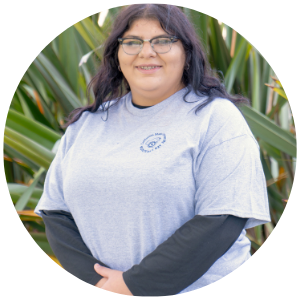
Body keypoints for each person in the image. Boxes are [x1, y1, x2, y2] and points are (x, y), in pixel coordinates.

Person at [34, 3, 271, 296]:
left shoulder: (216, 118)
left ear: (186, 53)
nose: (147, 52)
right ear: (117, 55)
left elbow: (222, 219)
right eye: (132, 42)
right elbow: (55, 212)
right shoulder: (87, 124)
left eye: (163, 41)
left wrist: (134, 285)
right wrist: (100, 283)